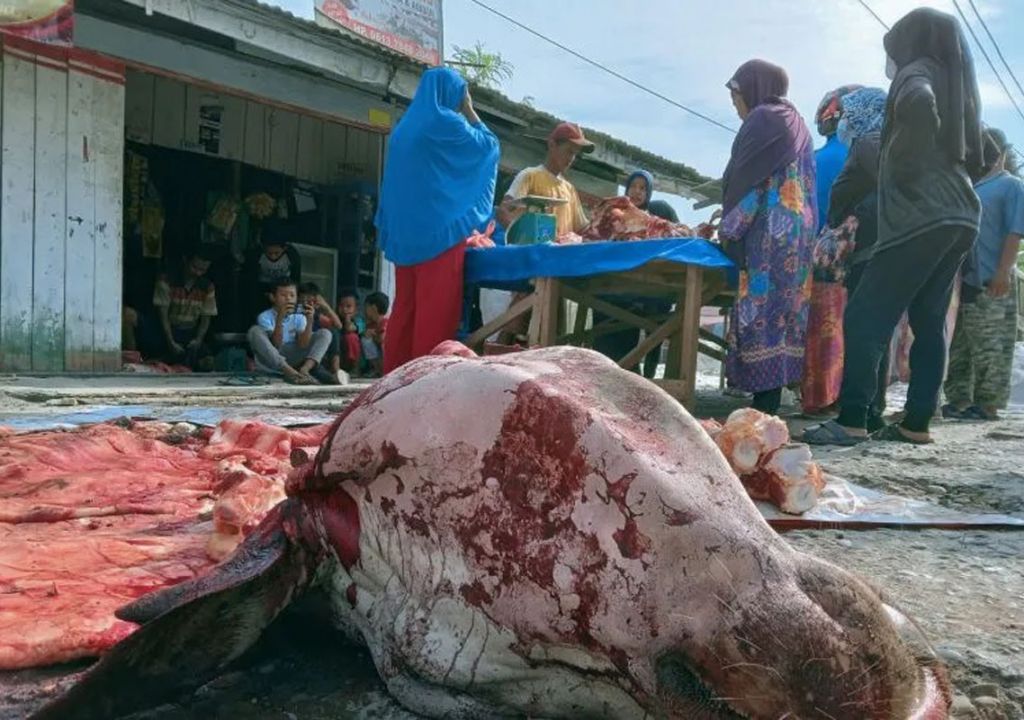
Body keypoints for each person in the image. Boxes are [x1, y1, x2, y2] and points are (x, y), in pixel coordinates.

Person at [805, 8, 984, 446]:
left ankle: (850, 421)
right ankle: (916, 424)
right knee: (927, 318)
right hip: (960, 212)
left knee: (867, 316)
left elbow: (917, 106)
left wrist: (903, 166)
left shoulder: (915, 72)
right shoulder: (957, 82)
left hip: (920, 215)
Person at [375, 67, 500, 373]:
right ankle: (423, 381)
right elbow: (489, 146)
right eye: (460, 93)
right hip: (440, 233)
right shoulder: (447, 123)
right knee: (434, 311)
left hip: (405, 235)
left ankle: (393, 379)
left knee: (404, 309)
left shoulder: (404, 128)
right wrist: (470, 109)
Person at [718, 59, 816, 416]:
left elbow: (749, 184)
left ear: (754, 88)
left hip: (768, 236)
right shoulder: (799, 124)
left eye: (737, 95)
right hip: (799, 237)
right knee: (785, 314)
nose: (735, 105)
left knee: (759, 310)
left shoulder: (763, 119)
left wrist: (728, 229)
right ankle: (770, 404)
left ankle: (760, 411)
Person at [816, 86, 891, 430]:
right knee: (875, 329)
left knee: (861, 326)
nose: (844, 121)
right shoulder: (891, 142)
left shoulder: (868, 143)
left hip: (870, 244)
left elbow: (885, 188)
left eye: (848, 113)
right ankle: (871, 411)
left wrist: (845, 211)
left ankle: (853, 418)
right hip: (881, 244)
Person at [944, 128, 1022, 421]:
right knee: (962, 344)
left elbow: (1015, 233)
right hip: (965, 282)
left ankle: (987, 404)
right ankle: (959, 399)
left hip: (993, 280)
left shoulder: (1010, 186)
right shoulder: (972, 186)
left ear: (1000, 153)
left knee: (993, 345)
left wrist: (1003, 272)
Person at [800, 84, 864, 416]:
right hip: (867, 255)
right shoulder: (873, 153)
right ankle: (856, 399)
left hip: (826, 256)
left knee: (825, 328)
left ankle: (821, 400)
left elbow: (806, 214)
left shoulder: (817, 160)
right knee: (858, 328)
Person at [594, 169, 677, 379]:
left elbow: (675, 239)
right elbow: (596, 238)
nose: (637, 192)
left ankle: (644, 375)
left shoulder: (657, 217)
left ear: (649, 193)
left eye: (643, 188)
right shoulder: (614, 214)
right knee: (608, 320)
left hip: (651, 287)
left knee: (655, 325)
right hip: (614, 284)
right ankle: (611, 371)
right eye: (633, 186)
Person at [498, 122, 593, 237]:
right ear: (552, 145)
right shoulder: (530, 176)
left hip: (558, 254)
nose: (572, 158)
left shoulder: (570, 190)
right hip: (532, 254)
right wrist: (525, 239)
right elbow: (503, 212)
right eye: (569, 151)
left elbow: (582, 229)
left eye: (575, 154)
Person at [247, 279, 340, 385]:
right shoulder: (265, 316)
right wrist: (280, 319)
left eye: (292, 295)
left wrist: (310, 320)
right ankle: (289, 372)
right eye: (283, 295)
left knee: (325, 333)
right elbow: (276, 344)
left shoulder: (299, 317)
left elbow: (303, 344)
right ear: (273, 297)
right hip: (274, 358)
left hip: (294, 357)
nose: (288, 299)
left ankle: (305, 370)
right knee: (254, 331)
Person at [150, 252, 218, 369]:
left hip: (190, 331)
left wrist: (198, 339)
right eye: (194, 267)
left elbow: (206, 317)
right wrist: (170, 341)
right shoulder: (166, 281)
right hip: (166, 329)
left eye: (202, 270)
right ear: (185, 261)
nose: (197, 273)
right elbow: (163, 315)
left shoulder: (207, 286)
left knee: (208, 361)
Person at [245, 217, 303, 317]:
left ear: (284, 248)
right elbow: (251, 280)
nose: (272, 256)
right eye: (269, 253)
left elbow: (296, 279)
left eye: (276, 253)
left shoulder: (292, 256)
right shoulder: (257, 255)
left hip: (284, 289)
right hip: (262, 289)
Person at [297, 282, 348, 376]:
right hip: (302, 348)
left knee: (333, 331)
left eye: (310, 299)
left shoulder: (316, 314)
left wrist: (325, 306)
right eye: (304, 298)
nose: (306, 301)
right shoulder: (296, 313)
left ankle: (336, 368)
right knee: (321, 374)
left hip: (318, 350)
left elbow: (339, 326)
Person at [362, 291, 391, 377]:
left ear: (373, 308)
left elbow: (382, 339)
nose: (364, 310)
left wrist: (373, 335)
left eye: (367, 307)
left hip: (385, 356)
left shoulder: (384, 322)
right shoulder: (371, 324)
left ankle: (383, 370)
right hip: (378, 357)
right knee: (365, 340)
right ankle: (376, 369)